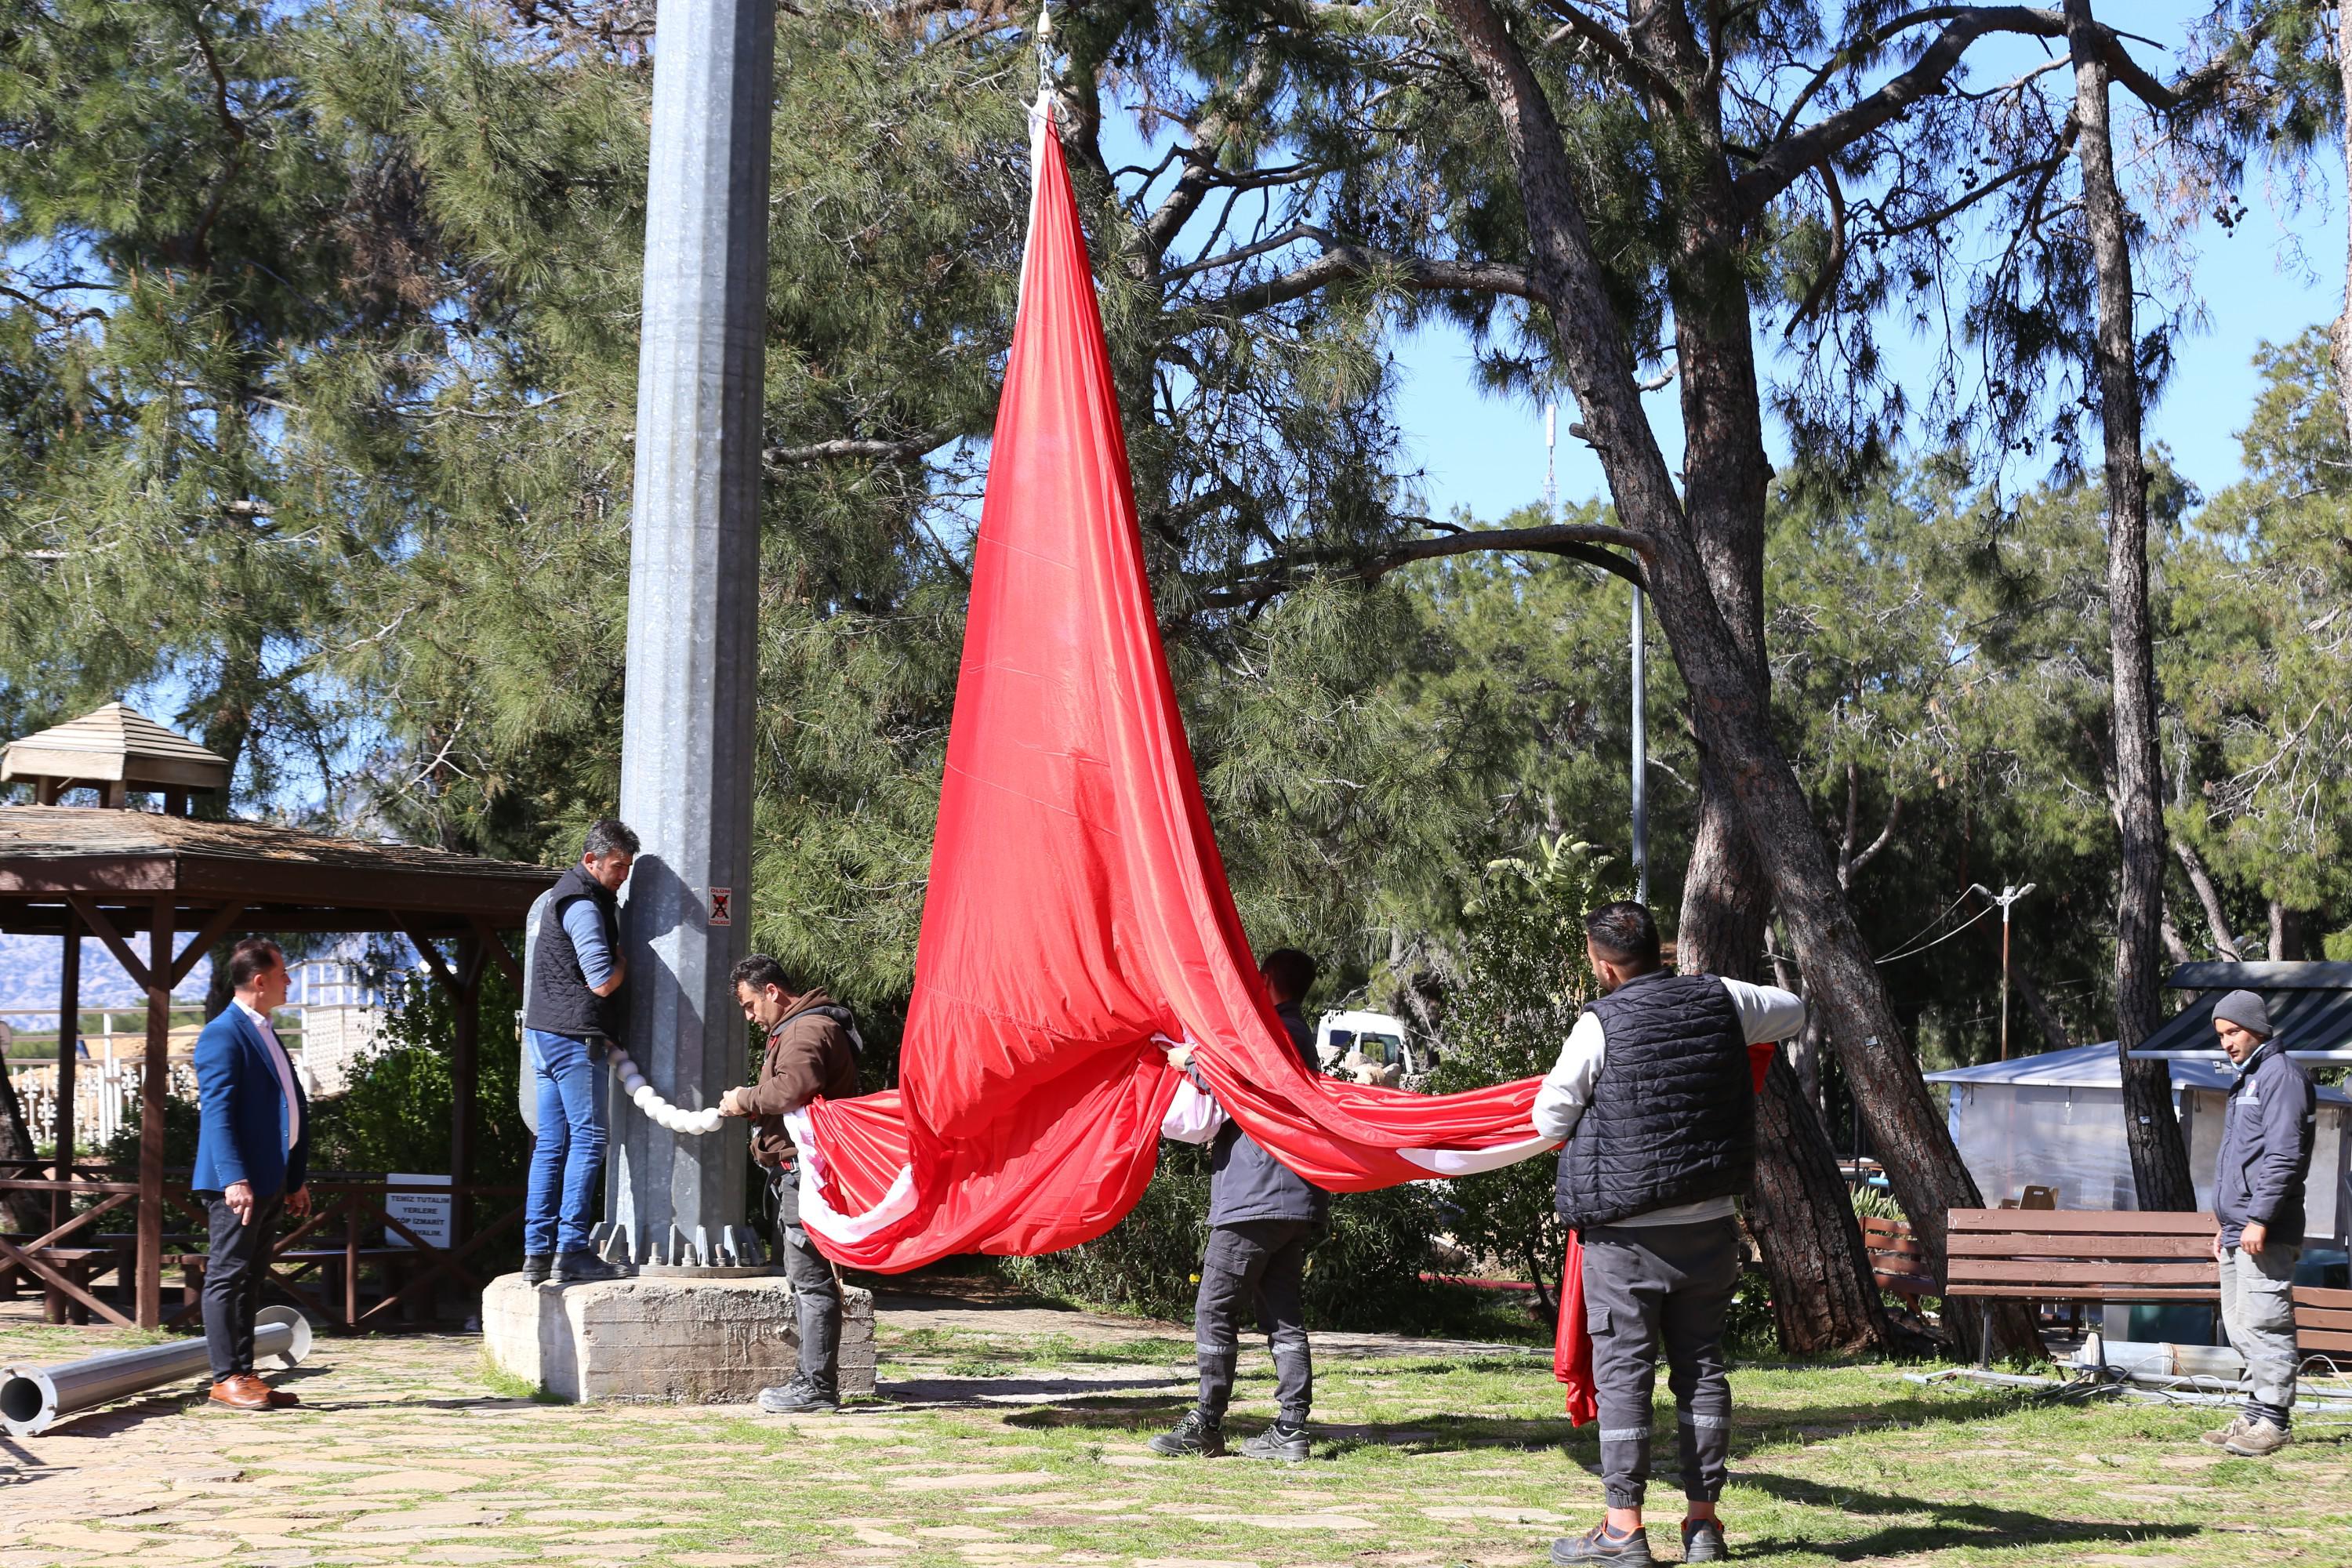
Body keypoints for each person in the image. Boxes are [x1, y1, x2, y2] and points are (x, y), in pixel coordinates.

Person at [1535, 902, 1802, 1566]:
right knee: (1702, 1369)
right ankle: (1703, 1526)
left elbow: (1549, 1118)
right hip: (1709, 1225)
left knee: (1625, 1374)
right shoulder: (1724, 999)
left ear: (1602, 965)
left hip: (1626, 1240)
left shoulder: (1599, 1024)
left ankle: (1623, 1529)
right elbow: (1794, 1009)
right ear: (1661, 949)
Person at [1149, 947, 1330, 1464]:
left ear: (1267, 979)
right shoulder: (1300, 1033)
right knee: (1283, 1318)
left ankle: (1206, 1423)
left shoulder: (1278, 1033)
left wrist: (1191, 1062)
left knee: (1215, 1308)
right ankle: (1291, 1430)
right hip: (1295, 1198)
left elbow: (1244, 1085)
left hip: (1257, 1198)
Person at [719, 953, 860, 1414]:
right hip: (803, 1170)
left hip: (807, 1173)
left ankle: (816, 1388)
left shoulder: (803, 1030)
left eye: (749, 1005)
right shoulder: (804, 1026)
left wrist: (744, 1099)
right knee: (810, 1280)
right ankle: (813, 1382)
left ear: (773, 992)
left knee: (811, 1281)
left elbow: (794, 1087)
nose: (750, 1016)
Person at [191, 938, 312, 1411]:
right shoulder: (223, 1034)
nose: (288, 980)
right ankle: (226, 1377)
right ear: (259, 981)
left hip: (271, 1178)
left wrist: (295, 1177)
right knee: (227, 1276)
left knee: (250, 1278)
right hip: (237, 1184)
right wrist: (234, 1178)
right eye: (282, 973)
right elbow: (217, 1114)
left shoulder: (264, 1029)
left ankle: (246, 1373)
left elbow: (288, 1105)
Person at [521, 818, 637, 1286]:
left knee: (551, 1145)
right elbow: (601, 980)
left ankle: (535, 1252)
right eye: (616, 866)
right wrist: (624, 964)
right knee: (589, 1140)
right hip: (573, 1037)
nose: (622, 875)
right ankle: (571, 1249)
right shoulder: (585, 905)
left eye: (628, 867)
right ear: (591, 861)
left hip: (544, 1035)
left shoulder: (563, 895)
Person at [2203, 989, 2316, 1458]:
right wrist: (2226, 1225)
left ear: (2257, 1028)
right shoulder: (2248, 1079)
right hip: (2238, 1229)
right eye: (2222, 1035)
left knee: (2266, 1322)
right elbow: (2242, 1160)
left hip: (2263, 1228)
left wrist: (2259, 1219)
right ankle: (2254, 1413)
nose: (2227, 1043)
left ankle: (2275, 1420)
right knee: (2240, 1324)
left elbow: (2285, 1156)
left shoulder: (2281, 1076)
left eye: (2233, 1032)